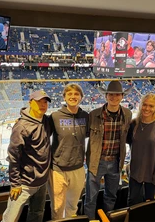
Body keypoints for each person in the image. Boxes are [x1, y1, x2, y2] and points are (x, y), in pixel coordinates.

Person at [1, 90, 52, 222]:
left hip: (42, 182)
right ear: (30, 102)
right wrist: (15, 183)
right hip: (24, 184)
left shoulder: (46, 120)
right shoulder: (21, 126)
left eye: (45, 102)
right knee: (10, 219)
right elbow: (13, 156)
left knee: (37, 213)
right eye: (39, 101)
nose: (42, 105)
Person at [84, 80, 132, 220]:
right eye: (111, 94)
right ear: (106, 96)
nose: (114, 97)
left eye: (117, 95)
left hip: (116, 163)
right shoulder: (93, 115)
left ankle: (106, 219)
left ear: (122, 96)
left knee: (111, 196)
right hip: (96, 162)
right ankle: (91, 220)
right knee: (90, 198)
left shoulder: (127, 114)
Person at [48, 83, 89, 219]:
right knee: (57, 208)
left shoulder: (85, 116)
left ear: (81, 97)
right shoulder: (55, 117)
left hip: (78, 169)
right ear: (64, 97)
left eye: (76, 94)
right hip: (58, 170)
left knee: (72, 207)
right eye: (69, 94)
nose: (73, 96)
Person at [127, 93, 155, 206]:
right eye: (144, 105)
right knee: (133, 203)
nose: (147, 108)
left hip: (152, 173)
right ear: (140, 105)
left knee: (148, 205)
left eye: (151, 106)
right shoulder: (134, 124)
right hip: (135, 172)